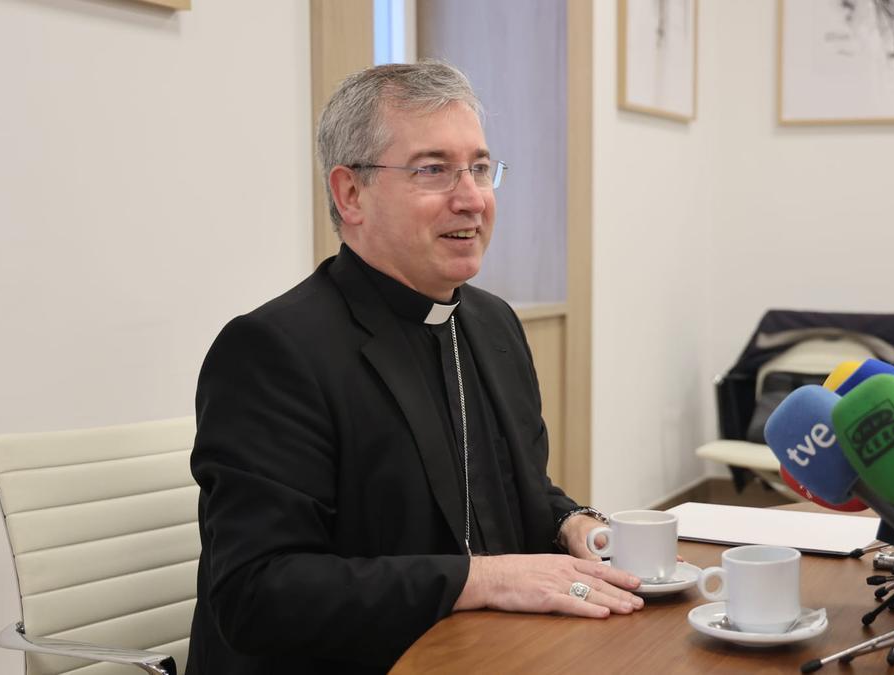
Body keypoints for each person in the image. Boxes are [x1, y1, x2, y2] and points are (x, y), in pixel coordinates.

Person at [185, 61, 642, 675]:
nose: (473, 198)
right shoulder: (273, 351)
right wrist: (484, 580)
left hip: (489, 654)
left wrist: (570, 523)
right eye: (434, 171)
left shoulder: (492, 324)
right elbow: (259, 593)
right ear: (351, 194)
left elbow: (502, 493)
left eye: (480, 168)